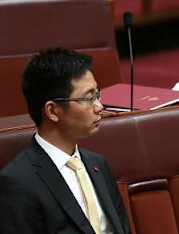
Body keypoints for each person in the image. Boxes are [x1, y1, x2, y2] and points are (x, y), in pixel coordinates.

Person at [0, 48, 131, 234]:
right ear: (53, 111)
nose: (99, 106)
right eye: (89, 98)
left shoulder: (97, 164)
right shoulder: (18, 182)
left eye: (97, 94)